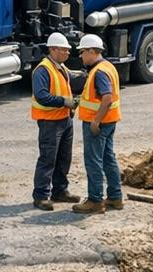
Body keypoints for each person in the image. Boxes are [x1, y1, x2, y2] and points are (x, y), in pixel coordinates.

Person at [73, 34, 123, 214]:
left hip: (98, 124)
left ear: (92, 51)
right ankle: (115, 197)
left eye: (82, 52)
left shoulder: (99, 71)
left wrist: (96, 121)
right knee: (108, 158)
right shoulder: (108, 66)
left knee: (93, 161)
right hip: (110, 121)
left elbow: (107, 98)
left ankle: (95, 200)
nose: (80, 56)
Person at [31, 32, 80, 210]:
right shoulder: (43, 70)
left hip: (65, 120)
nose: (68, 53)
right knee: (48, 159)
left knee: (63, 158)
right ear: (53, 49)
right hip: (50, 122)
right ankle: (41, 195)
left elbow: (72, 80)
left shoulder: (61, 67)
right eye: (64, 50)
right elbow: (42, 95)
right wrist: (64, 101)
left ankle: (60, 190)